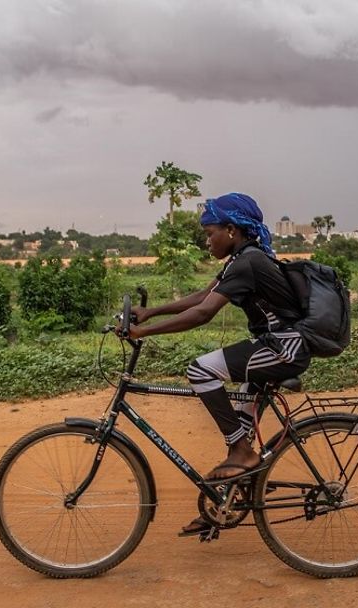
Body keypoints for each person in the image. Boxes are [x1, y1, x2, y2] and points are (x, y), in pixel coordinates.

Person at [128, 192, 311, 536]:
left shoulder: (248, 262)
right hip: (276, 346)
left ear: (231, 230)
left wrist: (143, 332)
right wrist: (151, 312)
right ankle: (226, 501)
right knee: (240, 421)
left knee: (201, 370)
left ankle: (241, 452)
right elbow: (202, 297)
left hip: (283, 348)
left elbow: (203, 313)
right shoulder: (241, 259)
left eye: (210, 233)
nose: (207, 240)